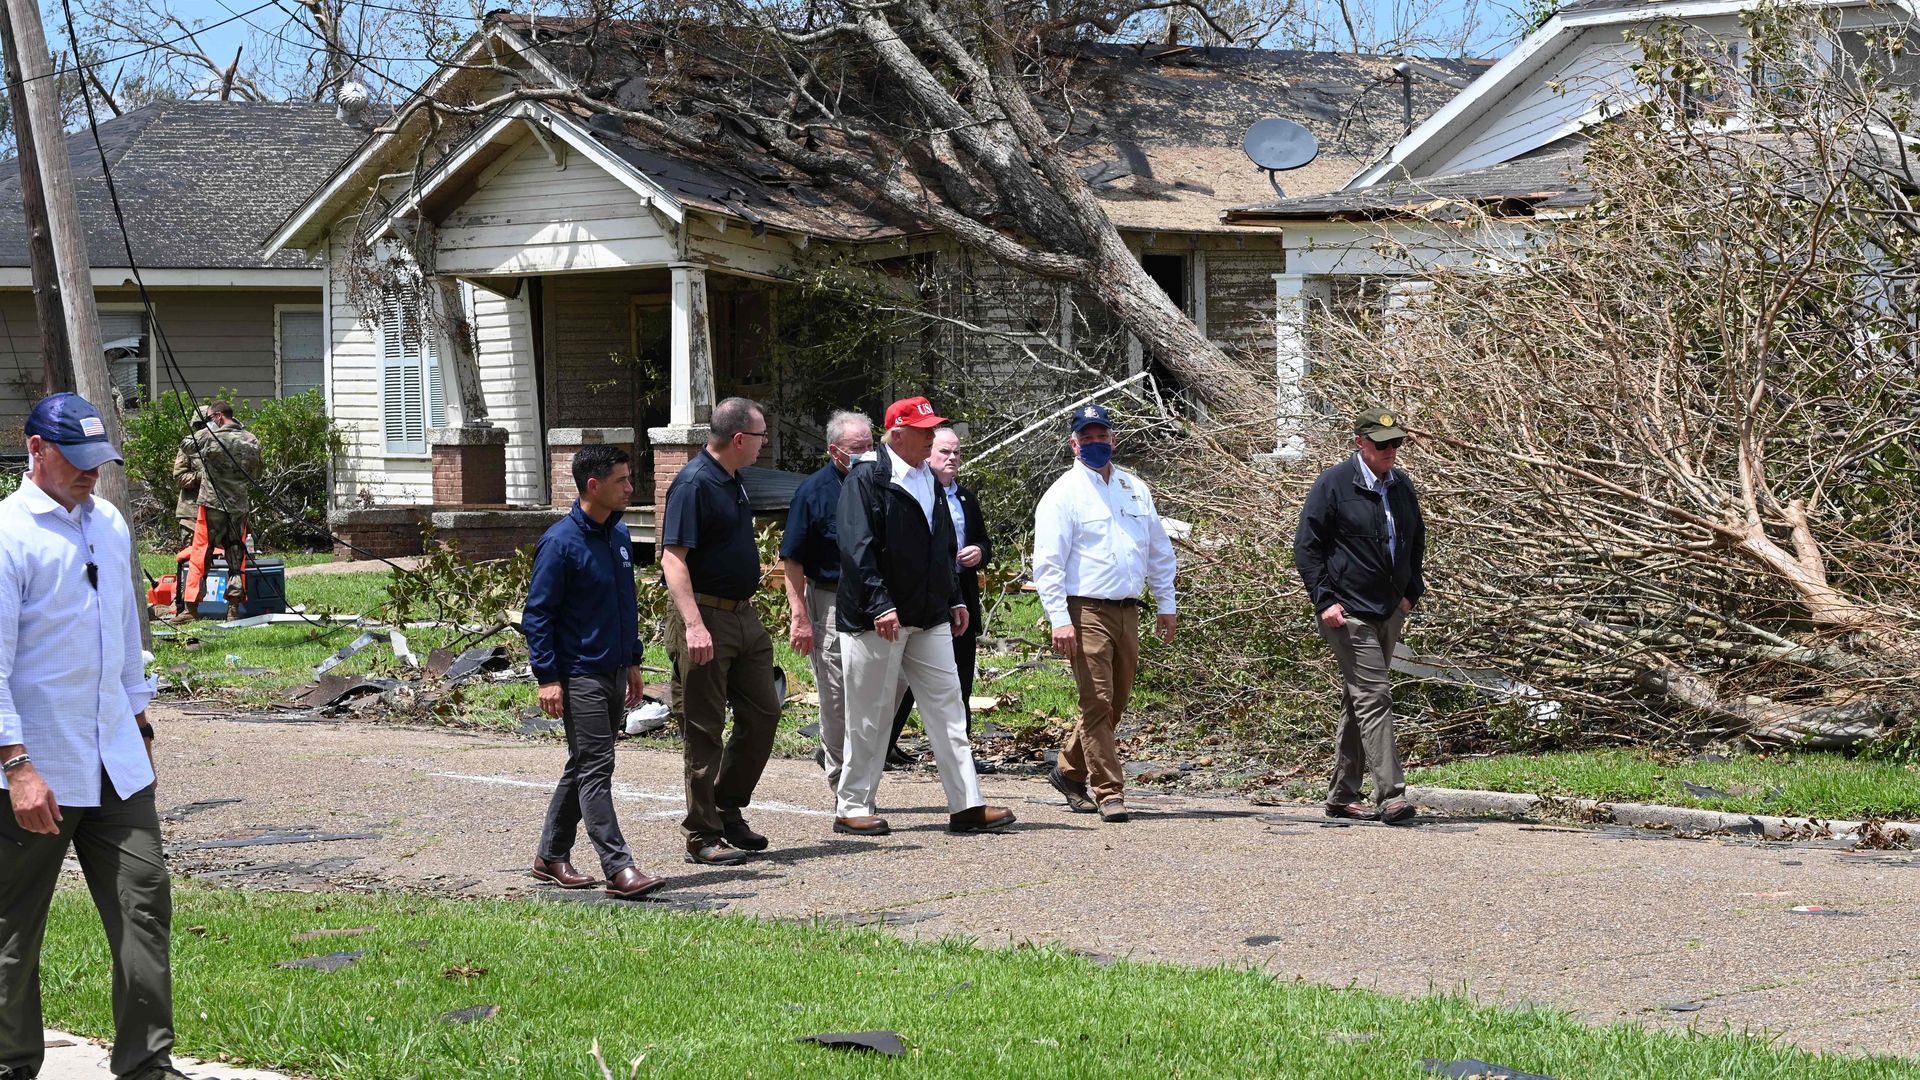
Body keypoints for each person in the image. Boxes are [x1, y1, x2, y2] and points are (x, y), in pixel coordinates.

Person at [0, 393, 180, 1080]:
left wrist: (142, 726)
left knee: (145, 907)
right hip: (36, 765)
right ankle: (12, 1063)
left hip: (115, 762)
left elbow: (126, 638)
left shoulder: (107, 523)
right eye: (76, 461)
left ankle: (146, 1064)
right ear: (35, 449)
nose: (89, 475)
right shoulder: (9, 534)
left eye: (98, 462)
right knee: (13, 928)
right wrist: (16, 766)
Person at [834, 396, 1014, 837]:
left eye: (935, 429)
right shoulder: (865, 480)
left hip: (928, 613)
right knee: (870, 716)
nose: (933, 437)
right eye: (925, 431)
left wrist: (952, 596)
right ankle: (852, 805)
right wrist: (880, 604)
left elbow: (941, 545)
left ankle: (966, 804)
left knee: (949, 708)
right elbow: (858, 549)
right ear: (897, 434)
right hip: (876, 618)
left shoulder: (929, 480)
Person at [523, 443, 664, 900]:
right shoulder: (560, 543)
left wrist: (633, 661)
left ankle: (550, 856)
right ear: (593, 485)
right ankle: (618, 868)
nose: (630, 488)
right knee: (596, 768)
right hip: (579, 674)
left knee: (583, 764)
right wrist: (547, 677)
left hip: (614, 669)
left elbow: (625, 607)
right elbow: (538, 616)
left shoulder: (618, 537)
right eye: (622, 480)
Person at [1032, 403, 1178, 824]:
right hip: (1085, 609)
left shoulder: (1134, 487)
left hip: (1127, 609)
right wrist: (1059, 618)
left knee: (1117, 700)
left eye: (1102, 436)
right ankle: (1109, 791)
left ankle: (1068, 769)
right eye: (1087, 437)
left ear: (1113, 439)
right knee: (1096, 700)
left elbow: (1157, 550)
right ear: (1073, 444)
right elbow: (1048, 564)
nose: (1096, 443)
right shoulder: (1063, 494)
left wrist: (1165, 602)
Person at [660, 397, 783, 866]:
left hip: (744, 617)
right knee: (704, 728)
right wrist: (693, 625)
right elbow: (673, 560)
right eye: (759, 436)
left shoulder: (735, 479)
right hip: (705, 618)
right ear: (737, 439)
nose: (764, 443)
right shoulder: (693, 484)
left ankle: (727, 806)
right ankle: (702, 834)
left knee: (764, 713)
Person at [1293, 407, 1428, 824]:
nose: (1391, 451)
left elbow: (1415, 537)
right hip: (1347, 612)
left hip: (1388, 609)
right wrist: (1324, 599)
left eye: (1396, 443)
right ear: (1360, 444)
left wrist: (1411, 593)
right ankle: (1391, 795)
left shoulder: (1401, 485)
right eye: (1382, 444)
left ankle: (1341, 794)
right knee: (1375, 695)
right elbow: (1307, 547)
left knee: (1359, 701)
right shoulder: (1333, 483)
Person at [886, 425, 993, 772]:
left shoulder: (966, 498)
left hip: (961, 595)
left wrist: (978, 551)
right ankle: (884, 744)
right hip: (925, 597)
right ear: (929, 454)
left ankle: (961, 753)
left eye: (957, 453)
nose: (951, 459)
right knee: (907, 681)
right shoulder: (915, 491)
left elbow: (983, 541)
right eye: (944, 452)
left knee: (959, 679)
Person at [779, 410, 874, 795]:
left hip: (876, 601)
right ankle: (842, 782)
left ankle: (862, 768)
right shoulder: (814, 491)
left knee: (887, 688)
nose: (867, 454)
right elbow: (792, 559)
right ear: (835, 451)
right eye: (858, 449)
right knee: (836, 696)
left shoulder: (881, 481)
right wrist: (799, 615)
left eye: (871, 445)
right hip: (830, 600)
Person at [188, 400, 263, 617]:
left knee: (203, 551)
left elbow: (187, 445)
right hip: (239, 504)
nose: (209, 422)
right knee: (235, 552)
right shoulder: (251, 439)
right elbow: (256, 474)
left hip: (212, 502)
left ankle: (192, 606)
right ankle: (234, 607)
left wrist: (206, 430)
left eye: (210, 418)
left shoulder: (210, 435)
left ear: (218, 417)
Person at [169, 406, 210, 547]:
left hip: (218, 512)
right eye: (199, 426)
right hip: (192, 512)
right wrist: (202, 476)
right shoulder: (188, 446)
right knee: (192, 555)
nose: (202, 429)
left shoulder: (223, 444)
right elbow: (179, 478)